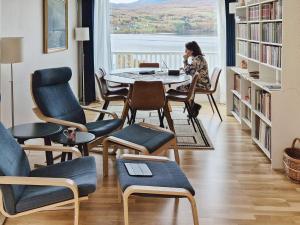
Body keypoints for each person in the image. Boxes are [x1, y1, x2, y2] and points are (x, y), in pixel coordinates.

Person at [178, 41, 211, 116]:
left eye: (186, 50)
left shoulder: (198, 59)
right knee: (184, 88)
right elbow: (189, 70)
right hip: (201, 83)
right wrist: (186, 67)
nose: (185, 51)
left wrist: (185, 60)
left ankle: (193, 107)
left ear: (191, 50)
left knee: (180, 88)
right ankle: (193, 107)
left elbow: (188, 71)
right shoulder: (197, 58)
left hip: (203, 84)